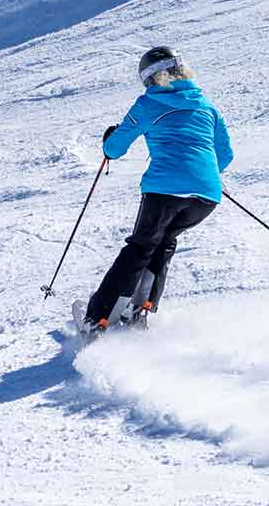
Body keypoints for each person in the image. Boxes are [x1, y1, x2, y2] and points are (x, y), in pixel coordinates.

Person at [83, 46, 232, 331]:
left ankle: (100, 317)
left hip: (164, 191)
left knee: (141, 246)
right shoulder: (206, 105)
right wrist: (199, 175)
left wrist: (109, 139)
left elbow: (114, 148)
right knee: (164, 242)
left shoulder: (149, 104)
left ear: (151, 78)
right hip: (205, 196)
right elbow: (224, 155)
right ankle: (141, 308)